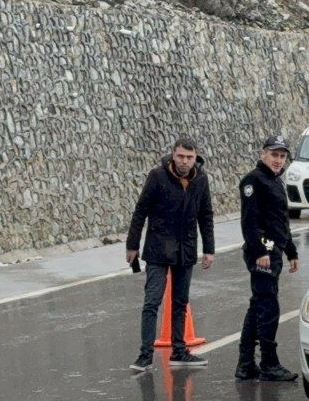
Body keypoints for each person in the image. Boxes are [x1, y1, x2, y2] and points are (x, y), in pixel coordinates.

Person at [126, 137, 215, 371]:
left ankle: (180, 351)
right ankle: (145, 356)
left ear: (196, 158)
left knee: (180, 302)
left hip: (185, 248)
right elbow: (140, 211)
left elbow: (206, 215)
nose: (185, 162)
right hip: (158, 247)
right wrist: (132, 245)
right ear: (173, 155)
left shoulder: (201, 179)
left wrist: (209, 249)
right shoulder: (157, 176)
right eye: (180, 157)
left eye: (189, 157)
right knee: (152, 302)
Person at [235, 135, 300, 382]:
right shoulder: (253, 181)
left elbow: (280, 221)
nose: (278, 160)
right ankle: (269, 363)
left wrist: (291, 250)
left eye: (282, 156)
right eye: (274, 155)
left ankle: (246, 363)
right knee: (269, 308)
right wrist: (264, 250)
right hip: (261, 252)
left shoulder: (275, 181)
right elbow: (250, 223)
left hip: (273, 250)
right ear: (263, 154)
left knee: (258, 307)